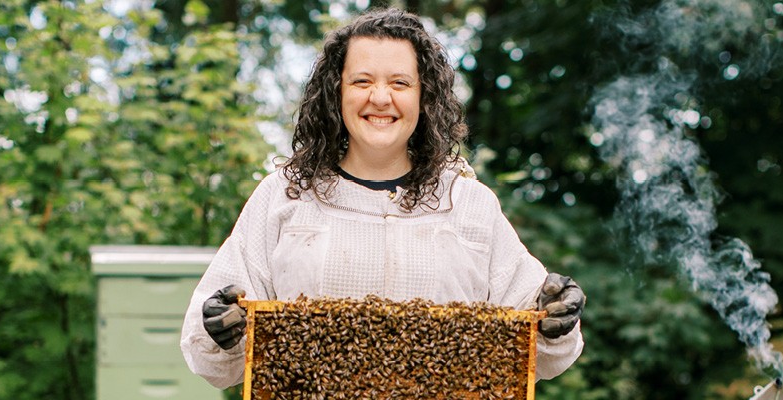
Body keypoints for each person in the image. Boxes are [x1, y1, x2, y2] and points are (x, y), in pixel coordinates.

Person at [180, 7, 585, 389]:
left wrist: (554, 319)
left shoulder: (468, 202)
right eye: (361, 81)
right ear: (335, 93)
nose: (380, 98)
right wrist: (221, 330)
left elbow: (538, 347)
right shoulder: (284, 196)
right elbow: (211, 353)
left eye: (399, 83)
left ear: (423, 97)